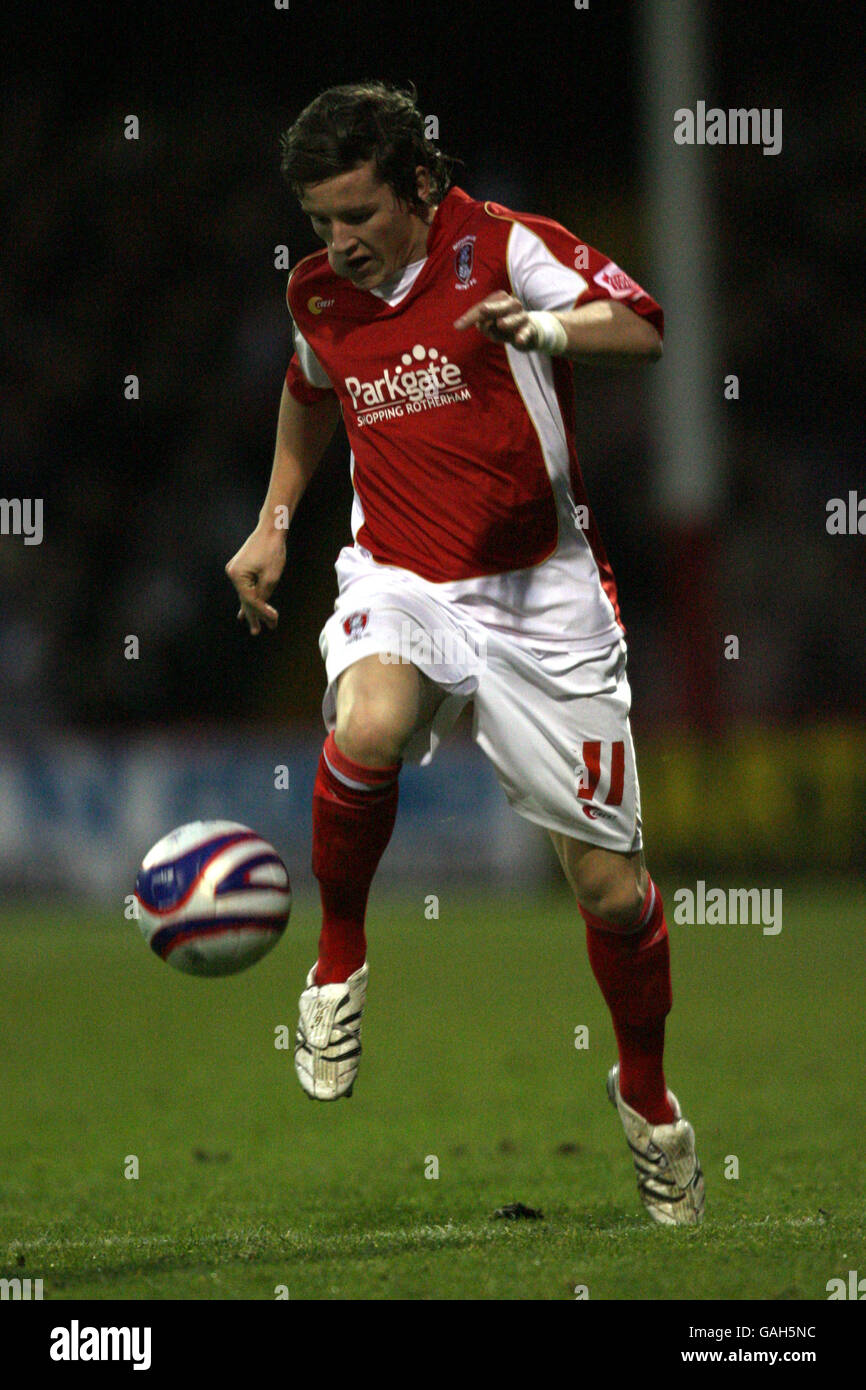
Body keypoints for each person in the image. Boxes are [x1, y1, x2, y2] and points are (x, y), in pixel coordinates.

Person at [226, 80, 704, 1226]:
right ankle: (337, 963)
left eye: (357, 217)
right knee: (368, 723)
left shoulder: (499, 245)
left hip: (544, 602)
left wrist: (542, 327)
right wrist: (276, 521)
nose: (337, 244)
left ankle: (645, 1097)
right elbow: (309, 389)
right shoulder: (315, 293)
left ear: (419, 188)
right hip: (401, 578)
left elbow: (639, 326)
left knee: (612, 890)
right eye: (318, 222)